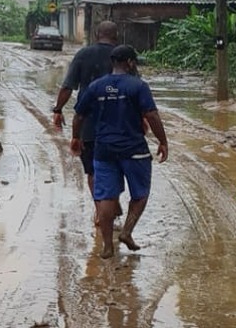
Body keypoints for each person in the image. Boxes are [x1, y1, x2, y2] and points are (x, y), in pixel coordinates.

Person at [71, 45, 168, 257]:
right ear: (130, 63)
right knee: (140, 194)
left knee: (106, 197)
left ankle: (107, 245)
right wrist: (163, 141)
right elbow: (151, 115)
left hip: (104, 150)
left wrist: (76, 137)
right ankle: (126, 231)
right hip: (134, 150)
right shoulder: (138, 86)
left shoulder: (96, 87)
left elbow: (79, 115)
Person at [52, 20, 120, 195]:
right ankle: (112, 200)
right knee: (115, 166)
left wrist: (58, 109)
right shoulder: (123, 56)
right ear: (116, 36)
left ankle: (100, 207)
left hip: (88, 123)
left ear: (96, 35)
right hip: (120, 124)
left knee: (92, 170)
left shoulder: (83, 54)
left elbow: (68, 87)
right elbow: (136, 88)